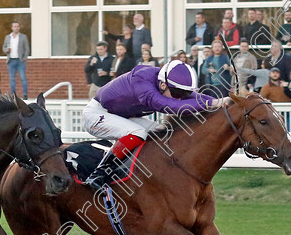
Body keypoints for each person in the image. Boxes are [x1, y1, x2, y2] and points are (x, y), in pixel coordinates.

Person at [81, 60, 219, 189]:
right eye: (177, 93)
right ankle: (98, 174)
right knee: (138, 132)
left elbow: (194, 98)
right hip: (96, 114)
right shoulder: (142, 81)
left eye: (184, 94)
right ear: (163, 84)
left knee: (163, 132)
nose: (180, 98)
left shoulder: (164, 82)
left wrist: (222, 101)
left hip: (121, 116)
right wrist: (210, 103)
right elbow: (172, 106)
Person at [3, 21, 30, 99]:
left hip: (20, 60)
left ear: (19, 28)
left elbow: (27, 49)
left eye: (17, 26)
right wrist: (6, 50)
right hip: (11, 60)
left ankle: (25, 95)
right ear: (12, 28)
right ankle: (13, 95)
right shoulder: (8, 37)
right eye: (14, 26)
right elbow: (4, 48)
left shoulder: (23, 37)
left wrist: (24, 58)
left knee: (23, 77)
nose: (16, 28)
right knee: (12, 79)